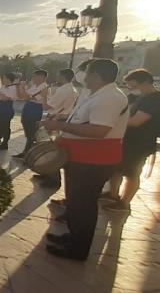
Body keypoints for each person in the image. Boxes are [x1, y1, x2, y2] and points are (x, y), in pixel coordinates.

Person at [40, 58, 129, 261]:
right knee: (76, 202)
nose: (83, 76)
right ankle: (72, 237)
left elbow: (99, 130)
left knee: (83, 205)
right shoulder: (97, 94)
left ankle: (78, 248)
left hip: (94, 161)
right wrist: (62, 122)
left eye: (86, 72)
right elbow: (83, 120)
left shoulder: (110, 98)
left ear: (96, 76)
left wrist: (60, 127)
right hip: (81, 157)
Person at [102, 69, 160, 212]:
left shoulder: (153, 99)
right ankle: (113, 194)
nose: (130, 87)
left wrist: (113, 120)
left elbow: (136, 121)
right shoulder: (141, 97)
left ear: (144, 82)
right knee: (116, 168)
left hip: (140, 143)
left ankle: (124, 203)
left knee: (132, 173)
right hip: (127, 140)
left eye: (132, 84)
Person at [37, 69, 78, 189]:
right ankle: (47, 173)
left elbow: (46, 106)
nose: (57, 77)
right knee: (51, 148)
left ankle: (53, 178)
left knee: (50, 149)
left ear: (63, 76)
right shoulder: (73, 89)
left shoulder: (64, 89)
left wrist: (44, 96)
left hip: (55, 121)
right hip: (60, 119)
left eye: (59, 75)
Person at [14, 70, 49, 158]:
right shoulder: (34, 86)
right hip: (28, 107)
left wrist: (22, 87)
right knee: (27, 127)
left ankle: (28, 152)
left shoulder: (44, 88)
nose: (33, 78)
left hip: (35, 109)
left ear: (42, 77)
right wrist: (19, 87)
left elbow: (28, 97)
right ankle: (28, 150)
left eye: (35, 76)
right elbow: (22, 97)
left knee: (32, 131)